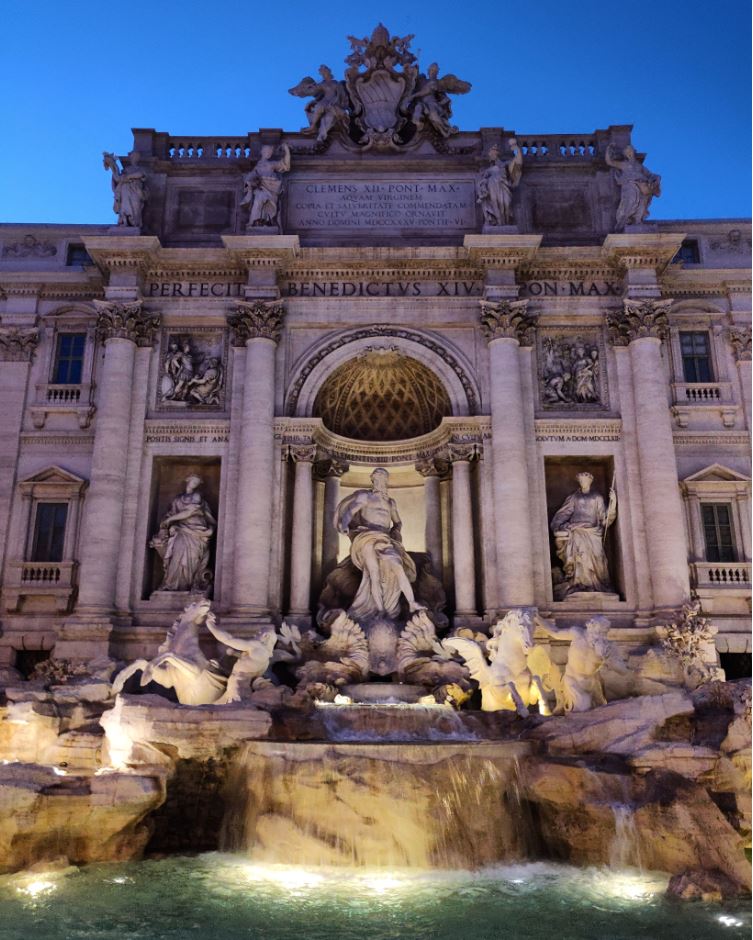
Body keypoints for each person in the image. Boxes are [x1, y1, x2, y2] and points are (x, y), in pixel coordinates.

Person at [334, 467, 424, 620]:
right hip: (366, 536)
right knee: (373, 574)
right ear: (373, 480)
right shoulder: (365, 496)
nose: (381, 482)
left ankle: (412, 602)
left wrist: (396, 531)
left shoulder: (390, 502)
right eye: (378, 479)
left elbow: (397, 521)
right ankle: (380, 610)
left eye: (384, 479)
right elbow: (350, 511)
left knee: (397, 566)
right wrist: (344, 524)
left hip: (385, 538)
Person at [550, 472, 617, 597]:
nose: (583, 482)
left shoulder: (597, 497)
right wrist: (558, 525)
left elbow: (604, 518)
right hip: (576, 531)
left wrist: (612, 503)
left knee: (598, 556)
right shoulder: (574, 497)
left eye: (585, 480)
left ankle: (597, 584)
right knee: (579, 557)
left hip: (593, 532)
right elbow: (564, 513)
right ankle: (579, 583)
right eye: (581, 480)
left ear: (590, 482)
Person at [150, 475, 216, 592]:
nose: (195, 484)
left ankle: (189, 586)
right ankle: (171, 584)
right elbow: (171, 514)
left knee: (193, 559)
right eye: (193, 481)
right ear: (188, 480)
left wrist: (170, 520)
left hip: (198, 532)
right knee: (177, 555)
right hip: (181, 530)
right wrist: (169, 523)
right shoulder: (177, 499)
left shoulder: (197, 496)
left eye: (197, 482)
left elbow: (190, 512)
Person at [605, 143, 661, 230]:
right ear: (626, 154)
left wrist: (656, 178)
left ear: (633, 152)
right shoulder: (624, 164)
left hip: (642, 187)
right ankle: (624, 220)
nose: (629, 153)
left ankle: (637, 221)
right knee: (630, 201)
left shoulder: (639, 166)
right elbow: (609, 161)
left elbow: (650, 174)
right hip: (630, 185)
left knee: (642, 203)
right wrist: (608, 148)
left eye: (630, 150)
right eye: (627, 151)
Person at [241, 144, 291, 226]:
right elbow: (249, 178)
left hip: (272, 189)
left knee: (263, 201)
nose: (269, 153)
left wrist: (287, 150)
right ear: (262, 152)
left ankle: (265, 221)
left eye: (270, 152)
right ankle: (254, 221)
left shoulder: (272, 164)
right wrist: (250, 183)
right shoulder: (257, 166)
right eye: (267, 151)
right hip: (261, 188)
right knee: (258, 200)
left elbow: (286, 165)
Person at [476, 140, 523, 226]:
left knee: (506, 204)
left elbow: (518, 164)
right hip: (492, 187)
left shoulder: (505, 164)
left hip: (504, 186)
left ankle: (505, 222)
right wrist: (483, 189)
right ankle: (498, 222)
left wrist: (517, 149)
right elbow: (480, 182)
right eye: (491, 154)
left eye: (494, 153)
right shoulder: (487, 170)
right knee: (495, 204)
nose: (492, 155)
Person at [103, 150, 148, 227]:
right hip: (125, 189)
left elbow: (140, 174)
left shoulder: (141, 169)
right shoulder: (126, 170)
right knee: (125, 206)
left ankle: (134, 222)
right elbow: (118, 178)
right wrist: (113, 166)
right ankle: (125, 221)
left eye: (136, 156)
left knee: (136, 206)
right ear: (130, 158)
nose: (134, 158)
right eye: (133, 156)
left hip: (136, 190)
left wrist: (128, 177)